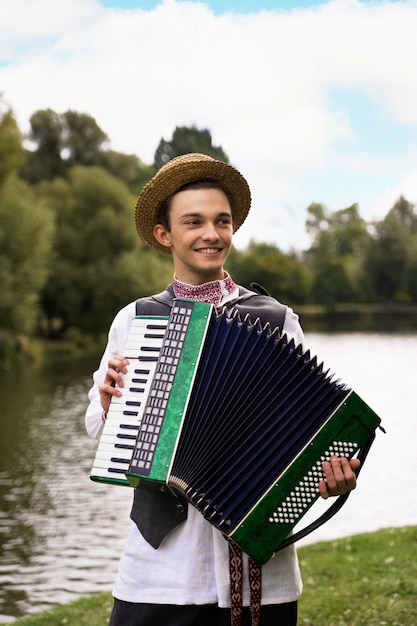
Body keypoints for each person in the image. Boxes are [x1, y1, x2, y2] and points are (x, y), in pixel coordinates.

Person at [85, 153, 360, 626]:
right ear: (163, 234)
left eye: (221, 221)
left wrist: (330, 475)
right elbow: (97, 426)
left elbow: (306, 427)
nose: (211, 234)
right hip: (159, 571)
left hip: (261, 574)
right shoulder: (136, 319)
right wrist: (111, 405)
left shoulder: (276, 319)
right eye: (193, 222)